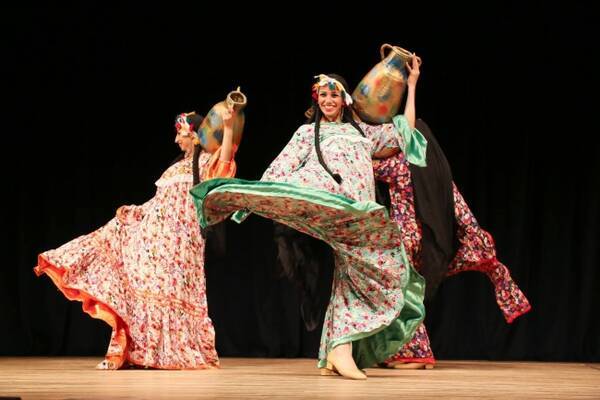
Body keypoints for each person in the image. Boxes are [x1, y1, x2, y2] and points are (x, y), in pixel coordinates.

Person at [190, 57, 425, 380]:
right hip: (325, 200)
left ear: (345, 99)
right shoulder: (306, 133)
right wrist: (254, 199)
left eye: (333, 95)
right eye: (322, 95)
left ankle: (334, 352)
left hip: (357, 214)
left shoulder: (363, 133)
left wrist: (411, 85)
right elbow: (281, 167)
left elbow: (405, 134)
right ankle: (340, 350)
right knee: (353, 269)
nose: (327, 100)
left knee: (374, 271)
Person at [34, 107, 239, 369]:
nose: (176, 139)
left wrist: (228, 127)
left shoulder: (205, 163)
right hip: (156, 236)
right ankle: (140, 352)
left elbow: (225, 164)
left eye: (181, 134)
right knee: (140, 278)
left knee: (170, 289)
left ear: (195, 136)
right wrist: (136, 211)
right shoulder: (174, 168)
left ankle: (169, 352)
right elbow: (159, 202)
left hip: (182, 241)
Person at [373, 124, 531, 368]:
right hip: (427, 240)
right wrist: (476, 236)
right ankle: (401, 351)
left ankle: (419, 354)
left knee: (403, 295)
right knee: (406, 293)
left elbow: (365, 164)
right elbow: (460, 209)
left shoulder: (398, 164)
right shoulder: (436, 171)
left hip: (404, 238)